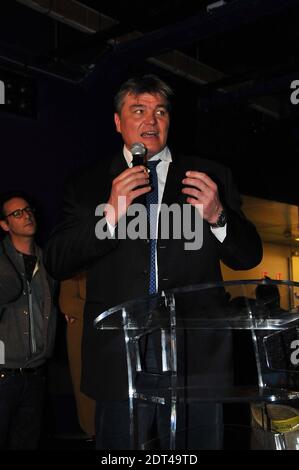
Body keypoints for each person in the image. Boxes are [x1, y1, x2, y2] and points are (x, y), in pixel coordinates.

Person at [44, 74, 263, 449]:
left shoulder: (210, 177)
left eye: (160, 111)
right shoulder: (89, 184)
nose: (151, 120)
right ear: (118, 122)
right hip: (121, 354)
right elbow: (57, 261)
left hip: (196, 351)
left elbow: (248, 256)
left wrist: (218, 216)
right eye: (139, 110)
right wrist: (109, 217)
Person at [0, 191, 57, 449]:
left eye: (28, 209)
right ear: (5, 225)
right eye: (17, 213)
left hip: (35, 373)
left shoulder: (48, 261)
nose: (27, 215)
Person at [59, 273, 96, 438]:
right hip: (82, 340)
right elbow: (67, 303)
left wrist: (84, 311)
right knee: (88, 406)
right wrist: (100, 310)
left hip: (114, 343)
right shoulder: (77, 265)